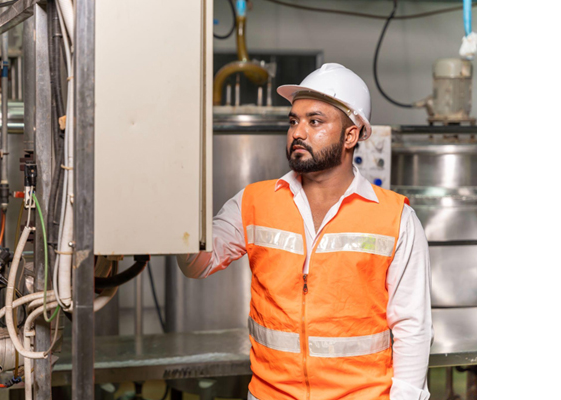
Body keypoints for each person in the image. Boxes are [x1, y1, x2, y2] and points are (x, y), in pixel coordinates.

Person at [177, 63, 433, 400]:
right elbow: (196, 264)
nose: (298, 132)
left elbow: (413, 329)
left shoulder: (395, 218)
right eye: (293, 121)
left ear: (350, 135)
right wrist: (173, 206)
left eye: (315, 122)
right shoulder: (254, 202)